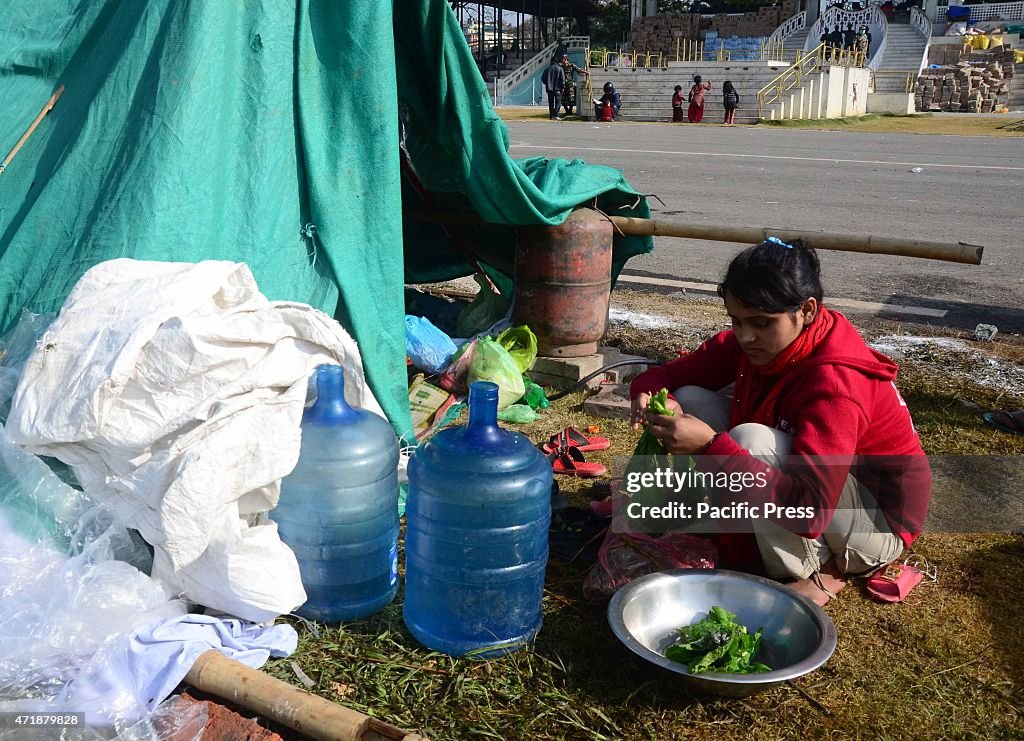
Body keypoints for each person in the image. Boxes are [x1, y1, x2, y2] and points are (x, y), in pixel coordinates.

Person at [629, 238, 932, 606]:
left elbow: (812, 511)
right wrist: (648, 394)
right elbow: (668, 375)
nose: (745, 336)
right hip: (824, 487)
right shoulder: (763, 342)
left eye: (760, 323)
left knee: (749, 440)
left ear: (806, 310)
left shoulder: (835, 385)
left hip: (876, 523)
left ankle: (814, 567)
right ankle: (738, 525)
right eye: (736, 321)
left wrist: (711, 446)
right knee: (692, 399)